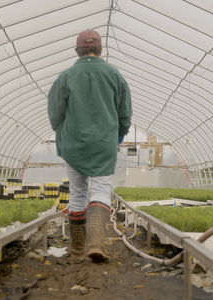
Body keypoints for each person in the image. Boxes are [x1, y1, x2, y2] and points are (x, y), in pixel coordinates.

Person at [47, 29, 133, 262]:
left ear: (77, 51)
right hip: (104, 144)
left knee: (77, 194)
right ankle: (95, 242)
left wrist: (65, 134)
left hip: (73, 145)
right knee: (102, 191)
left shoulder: (65, 76)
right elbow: (125, 115)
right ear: (100, 50)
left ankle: (76, 249)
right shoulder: (114, 75)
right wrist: (117, 136)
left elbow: (55, 114)